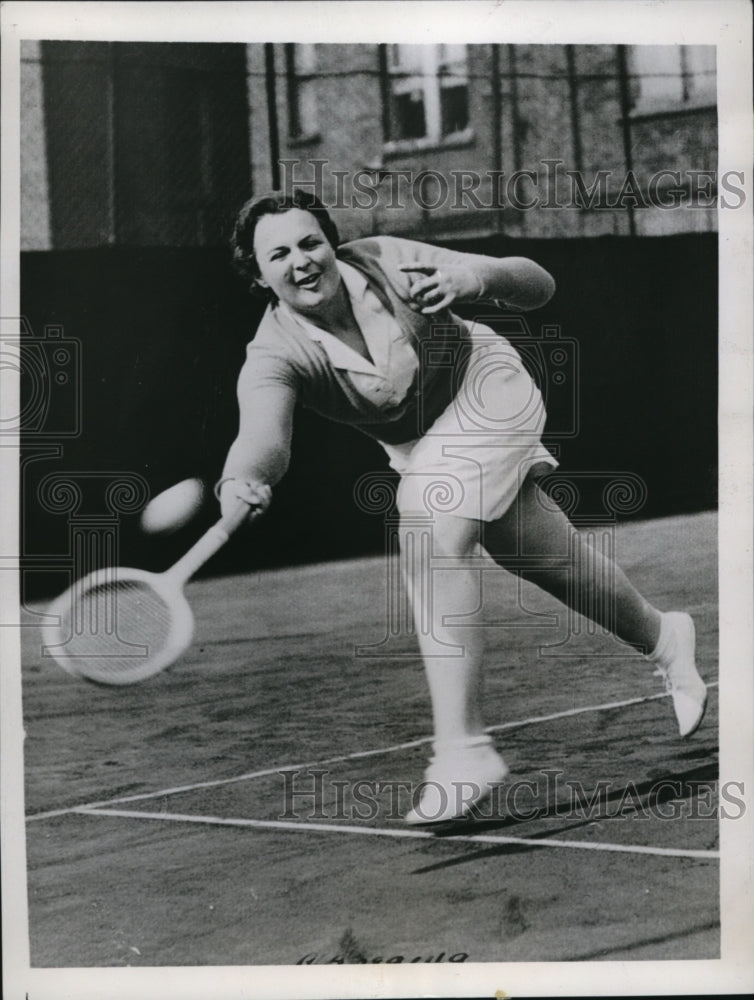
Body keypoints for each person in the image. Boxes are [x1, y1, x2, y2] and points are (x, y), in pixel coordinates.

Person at [217, 189, 707, 825]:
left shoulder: (389, 261)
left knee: (424, 527)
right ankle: (665, 637)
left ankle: (463, 750)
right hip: (423, 443)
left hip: (486, 387)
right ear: (259, 276)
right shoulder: (275, 354)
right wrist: (240, 483)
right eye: (278, 254)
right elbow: (262, 438)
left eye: (310, 243)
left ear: (332, 245)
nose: (301, 261)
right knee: (547, 560)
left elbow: (538, 284)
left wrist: (470, 277)